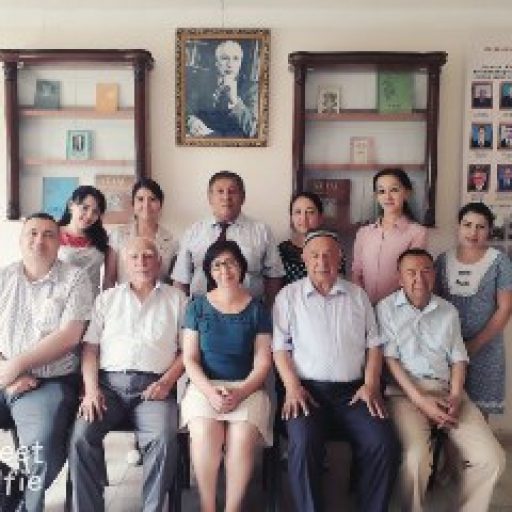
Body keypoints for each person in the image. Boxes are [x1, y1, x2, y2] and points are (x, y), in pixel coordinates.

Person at [273, 228, 399, 512]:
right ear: (304, 259)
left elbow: (374, 345)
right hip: (307, 391)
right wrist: (292, 387)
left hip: (354, 393)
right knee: (303, 443)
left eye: (329, 255)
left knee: (383, 443)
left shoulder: (358, 296)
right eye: (315, 255)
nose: (322, 261)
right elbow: (280, 348)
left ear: (340, 257)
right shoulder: (288, 297)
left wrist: (371, 385)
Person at [377, 248, 505, 512]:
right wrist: (421, 402)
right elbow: (390, 362)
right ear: (399, 278)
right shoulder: (385, 309)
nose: (419, 278)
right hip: (405, 395)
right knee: (416, 459)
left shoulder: (448, 311)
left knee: (492, 459)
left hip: (447, 392)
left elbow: (458, 359)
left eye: (426, 271)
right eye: (411, 272)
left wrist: (456, 396)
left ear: (434, 275)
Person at [69, 236, 187, 511]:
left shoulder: (177, 299)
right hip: (108, 388)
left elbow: (187, 352)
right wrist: (91, 390)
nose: (141, 262)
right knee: (81, 437)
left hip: (155, 388)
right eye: (134, 257)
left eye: (148, 256)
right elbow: (90, 350)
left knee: (163, 439)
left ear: (159, 261)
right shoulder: (106, 299)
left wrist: (167, 382)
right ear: (124, 262)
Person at [0, 213, 93, 511]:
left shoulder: (75, 279)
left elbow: (70, 336)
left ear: (60, 242)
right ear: (21, 239)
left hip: (48, 381)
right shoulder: (4, 277)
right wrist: (8, 371)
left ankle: (26, 506)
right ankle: (9, 488)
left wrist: (18, 364)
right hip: (3, 374)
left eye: (48, 234)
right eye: (33, 233)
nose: (39, 240)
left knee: (41, 447)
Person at [181, 240, 272, 512]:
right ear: (209, 271)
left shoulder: (258, 309)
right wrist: (210, 392)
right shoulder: (197, 307)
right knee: (204, 434)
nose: (225, 270)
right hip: (204, 387)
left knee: (241, 439)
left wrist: (240, 392)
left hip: (247, 388)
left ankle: (233, 508)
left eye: (230, 263)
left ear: (241, 266)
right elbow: (189, 359)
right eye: (217, 265)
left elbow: (263, 362)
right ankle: (207, 506)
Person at [435, 202, 512, 417]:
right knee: (446, 409)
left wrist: (473, 345)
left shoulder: (500, 262)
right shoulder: (442, 260)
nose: (473, 232)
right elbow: (434, 304)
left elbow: (505, 308)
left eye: (481, 227)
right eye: (467, 225)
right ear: (458, 226)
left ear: (489, 230)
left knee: (479, 415)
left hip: (485, 349)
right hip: (447, 349)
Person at [172, 170, 284, 305]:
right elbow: (181, 280)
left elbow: (274, 277)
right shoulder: (193, 232)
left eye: (232, 191)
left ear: (243, 197)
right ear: (210, 197)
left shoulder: (262, 232)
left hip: (249, 311)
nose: (226, 197)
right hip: (201, 311)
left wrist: (270, 311)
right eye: (220, 191)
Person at [352, 168, 428, 305]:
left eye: (394, 190)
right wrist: (362, 304)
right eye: (381, 191)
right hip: (364, 306)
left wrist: (391, 308)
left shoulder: (417, 232)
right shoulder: (363, 233)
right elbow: (356, 273)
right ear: (376, 196)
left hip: (397, 308)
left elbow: (412, 276)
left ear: (407, 193)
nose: (387, 196)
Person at [104, 177, 177, 287]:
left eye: (152, 199)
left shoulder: (171, 241)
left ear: (160, 205)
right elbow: (109, 279)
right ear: (133, 204)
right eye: (140, 199)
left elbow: (173, 282)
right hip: (124, 296)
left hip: (159, 297)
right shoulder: (118, 235)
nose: (146, 204)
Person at [186, 39, 258, 138]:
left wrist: (235, 101)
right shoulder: (202, 81)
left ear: (240, 63)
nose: (230, 64)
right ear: (216, 62)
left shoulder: (251, 88)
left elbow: (252, 130)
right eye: (225, 58)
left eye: (236, 59)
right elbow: (186, 110)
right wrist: (191, 121)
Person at [279, 191, 345, 284]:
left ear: (320, 217)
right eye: (298, 212)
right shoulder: (281, 251)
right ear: (291, 218)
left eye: (310, 212)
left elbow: (339, 284)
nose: (304, 218)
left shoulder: (333, 248)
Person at [58, 185, 111, 297]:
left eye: (95, 212)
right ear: (71, 205)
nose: (89, 215)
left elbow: (108, 279)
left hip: (92, 301)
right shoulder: (53, 234)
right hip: (61, 300)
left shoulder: (101, 238)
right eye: (85, 208)